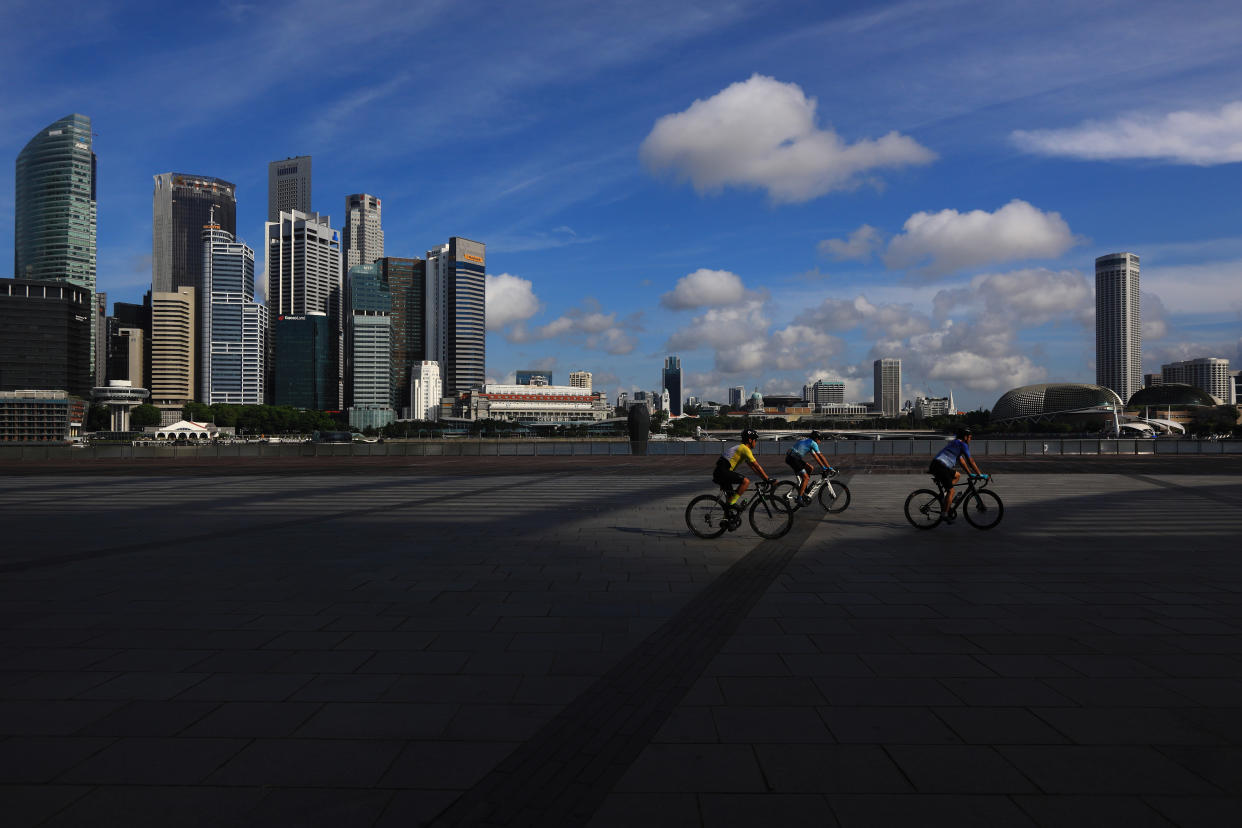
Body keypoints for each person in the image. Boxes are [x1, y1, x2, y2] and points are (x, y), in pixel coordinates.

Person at [929, 427, 985, 522]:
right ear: (965, 437)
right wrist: (980, 474)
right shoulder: (962, 444)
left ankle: (946, 497)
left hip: (938, 465)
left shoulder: (955, 443)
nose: (970, 439)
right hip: (940, 466)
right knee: (952, 491)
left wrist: (970, 474)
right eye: (970, 437)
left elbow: (962, 462)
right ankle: (944, 514)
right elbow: (970, 461)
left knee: (957, 475)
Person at [714, 428, 772, 510]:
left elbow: (753, 467)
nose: (756, 442)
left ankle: (726, 520)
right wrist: (767, 479)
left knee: (729, 503)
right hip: (723, 472)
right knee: (746, 481)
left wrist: (763, 478)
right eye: (755, 440)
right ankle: (732, 503)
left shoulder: (740, 448)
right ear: (750, 440)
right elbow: (757, 466)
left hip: (720, 472)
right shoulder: (745, 449)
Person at [785, 430, 833, 504]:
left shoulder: (808, 441)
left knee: (810, 468)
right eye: (820, 439)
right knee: (806, 477)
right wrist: (829, 467)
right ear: (817, 439)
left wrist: (823, 467)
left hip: (793, 457)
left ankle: (804, 488)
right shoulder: (813, 443)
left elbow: (816, 457)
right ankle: (799, 498)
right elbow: (821, 456)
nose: (820, 441)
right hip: (793, 459)